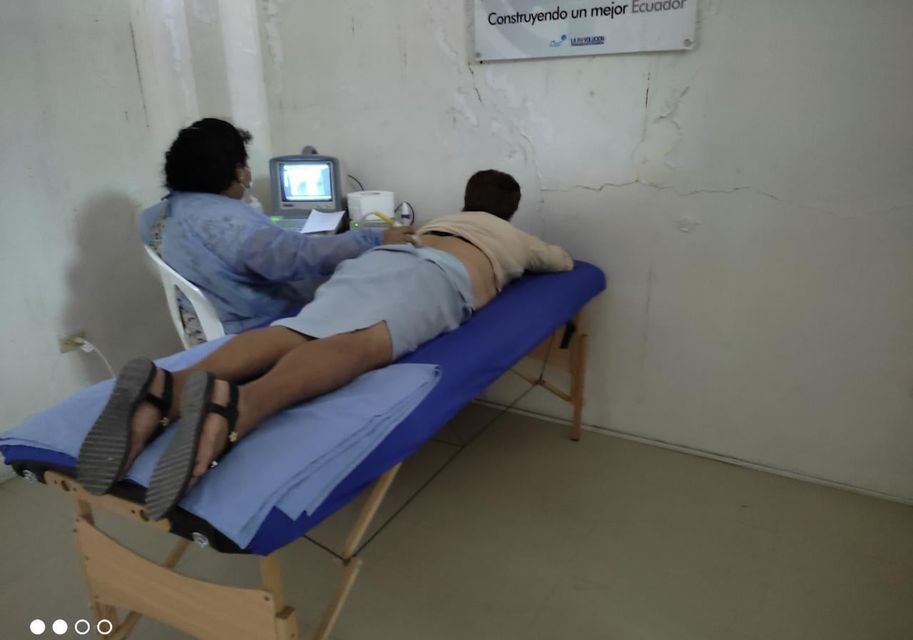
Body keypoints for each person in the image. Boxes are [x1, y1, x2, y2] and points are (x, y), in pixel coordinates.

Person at [83, 170, 574, 519]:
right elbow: (563, 262)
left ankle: (168, 387)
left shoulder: (439, 221)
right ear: (510, 210)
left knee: (299, 328)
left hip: (386, 256)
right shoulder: (514, 236)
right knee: (362, 341)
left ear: (466, 200)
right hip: (437, 278)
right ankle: (241, 406)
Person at [138, 118, 413, 335]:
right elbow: (295, 256)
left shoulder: (155, 216)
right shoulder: (225, 221)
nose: (246, 172)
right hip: (258, 328)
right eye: (243, 164)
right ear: (234, 170)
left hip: (210, 328)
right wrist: (374, 239)